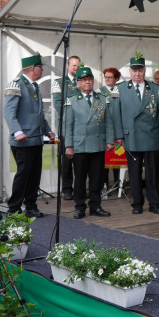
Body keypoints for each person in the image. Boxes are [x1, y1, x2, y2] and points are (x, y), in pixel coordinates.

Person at [112, 52, 159, 214]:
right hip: (131, 137)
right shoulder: (120, 89)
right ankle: (137, 204)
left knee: (153, 173)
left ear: (144, 71)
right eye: (134, 70)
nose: (137, 74)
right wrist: (119, 135)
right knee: (134, 173)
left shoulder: (155, 89)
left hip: (151, 136)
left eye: (140, 70)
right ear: (130, 71)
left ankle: (155, 203)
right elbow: (116, 115)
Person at [3, 54, 55, 217]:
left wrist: (48, 130)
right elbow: (9, 112)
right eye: (41, 67)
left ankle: (31, 206)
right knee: (23, 175)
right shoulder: (16, 84)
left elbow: (39, 114)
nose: (42, 70)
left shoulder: (34, 86)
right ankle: (14, 208)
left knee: (34, 175)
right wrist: (17, 131)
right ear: (32, 68)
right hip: (23, 140)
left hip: (36, 138)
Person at [64, 66, 114, 219]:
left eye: (90, 79)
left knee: (97, 179)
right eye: (84, 80)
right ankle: (79, 207)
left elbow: (108, 122)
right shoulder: (72, 101)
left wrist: (110, 140)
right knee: (79, 179)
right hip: (79, 146)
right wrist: (68, 146)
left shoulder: (102, 99)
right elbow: (68, 126)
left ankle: (95, 206)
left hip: (97, 144)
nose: (87, 82)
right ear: (78, 83)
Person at [52, 55, 81, 200]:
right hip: (65, 127)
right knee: (66, 161)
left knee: (80, 161)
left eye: (78, 65)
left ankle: (79, 189)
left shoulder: (83, 81)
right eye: (73, 65)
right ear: (67, 66)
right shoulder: (59, 83)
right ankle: (67, 189)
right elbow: (58, 105)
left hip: (81, 129)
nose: (76, 68)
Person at [101, 67, 122, 188]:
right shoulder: (99, 91)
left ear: (116, 79)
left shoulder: (120, 90)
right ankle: (104, 185)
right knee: (105, 159)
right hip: (105, 130)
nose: (108, 79)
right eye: (106, 77)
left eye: (110, 77)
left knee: (118, 158)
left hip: (118, 130)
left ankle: (117, 184)